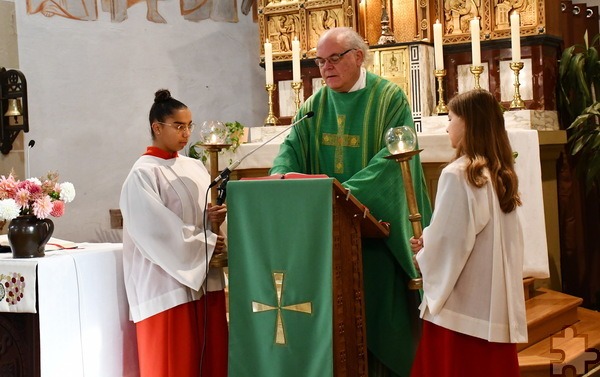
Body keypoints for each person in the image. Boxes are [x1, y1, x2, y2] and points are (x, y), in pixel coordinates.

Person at [270, 27, 432, 377]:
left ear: (358, 56)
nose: (325, 68)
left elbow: (395, 158)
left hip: (375, 233)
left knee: (378, 314)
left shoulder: (389, 99)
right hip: (329, 234)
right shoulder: (313, 106)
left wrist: (340, 196)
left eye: (333, 58)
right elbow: (290, 151)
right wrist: (280, 179)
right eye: (319, 61)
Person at [409, 89, 527, 377]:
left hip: (460, 314)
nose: (447, 126)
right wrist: (433, 242)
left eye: (451, 118)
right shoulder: (499, 172)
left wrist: (423, 253)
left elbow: (451, 243)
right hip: (491, 309)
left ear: (469, 123)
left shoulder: (459, 173)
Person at [120, 89, 228, 377]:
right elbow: (156, 232)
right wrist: (206, 243)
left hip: (202, 277)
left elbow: (199, 215)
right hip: (166, 284)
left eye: (190, 125)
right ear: (157, 127)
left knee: (210, 360)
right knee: (174, 364)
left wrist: (213, 219)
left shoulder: (193, 166)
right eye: (179, 126)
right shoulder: (143, 174)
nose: (187, 133)